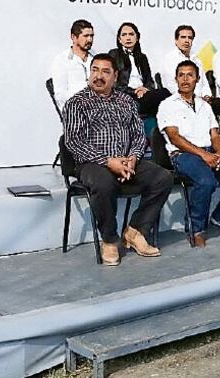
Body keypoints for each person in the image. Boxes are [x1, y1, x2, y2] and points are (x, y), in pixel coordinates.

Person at [62, 54, 173, 266]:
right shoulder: (76, 103)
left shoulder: (126, 102)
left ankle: (136, 230)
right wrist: (108, 161)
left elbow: (139, 136)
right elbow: (74, 142)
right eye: (95, 70)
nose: (98, 76)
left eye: (105, 72)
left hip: (125, 161)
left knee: (163, 177)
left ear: (115, 76)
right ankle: (110, 240)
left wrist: (133, 158)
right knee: (103, 183)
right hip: (91, 163)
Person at [157, 60, 220, 246]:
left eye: (190, 75)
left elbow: (215, 134)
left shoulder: (205, 105)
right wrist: (203, 155)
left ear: (197, 79)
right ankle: (197, 228)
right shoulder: (167, 104)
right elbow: (174, 138)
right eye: (181, 75)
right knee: (206, 181)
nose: (185, 79)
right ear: (175, 79)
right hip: (183, 155)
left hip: (210, 153)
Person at [108, 22, 170, 116]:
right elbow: (113, 83)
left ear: (137, 38)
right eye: (124, 35)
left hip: (143, 95)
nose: (128, 38)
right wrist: (134, 91)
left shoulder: (142, 57)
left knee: (165, 93)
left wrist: (145, 89)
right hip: (125, 95)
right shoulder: (114, 54)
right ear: (119, 39)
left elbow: (149, 81)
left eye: (131, 34)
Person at [49, 19, 94, 109]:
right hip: (74, 111)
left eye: (91, 36)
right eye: (85, 36)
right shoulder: (61, 60)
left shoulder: (96, 58)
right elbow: (60, 96)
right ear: (73, 37)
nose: (90, 39)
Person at [161, 25, 210, 99]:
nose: (187, 41)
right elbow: (171, 87)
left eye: (190, 38)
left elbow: (204, 85)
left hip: (202, 102)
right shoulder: (169, 59)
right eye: (183, 37)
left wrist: (207, 96)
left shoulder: (197, 60)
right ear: (176, 40)